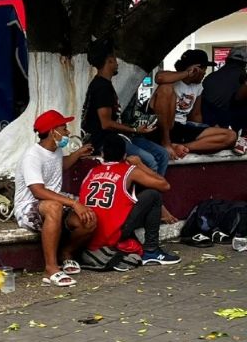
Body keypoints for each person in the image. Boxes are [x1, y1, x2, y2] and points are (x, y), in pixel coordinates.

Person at [14, 110, 97, 287]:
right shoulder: (32, 156)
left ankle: (66, 253)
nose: (67, 132)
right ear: (54, 131)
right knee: (55, 207)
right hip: (29, 207)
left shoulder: (56, 150)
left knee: (89, 218)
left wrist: (78, 153)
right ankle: (51, 268)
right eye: (64, 128)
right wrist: (73, 203)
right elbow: (38, 191)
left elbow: (60, 164)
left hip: (54, 203)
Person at [79, 134, 180, 265]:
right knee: (152, 194)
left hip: (91, 232)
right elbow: (165, 185)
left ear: (103, 154)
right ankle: (151, 250)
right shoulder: (129, 170)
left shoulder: (92, 172)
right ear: (125, 155)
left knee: (129, 197)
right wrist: (140, 164)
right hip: (112, 234)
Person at [81, 39, 166, 168]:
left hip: (119, 137)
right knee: (150, 162)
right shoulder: (102, 87)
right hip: (105, 142)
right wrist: (134, 129)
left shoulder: (104, 84)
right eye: (115, 59)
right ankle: (149, 188)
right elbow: (106, 124)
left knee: (162, 155)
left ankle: (156, 187)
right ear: (109, 60)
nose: (117, 63)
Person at [152, 49, 236, 156]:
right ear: (195, 69)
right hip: (164, 128)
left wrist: (206, 130)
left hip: (182, 127)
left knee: (231, 136)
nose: (205, 73)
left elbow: (195, 115)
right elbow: (159, 77)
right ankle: (167, 143)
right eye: (204, 69)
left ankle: (183, 147)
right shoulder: (170, 80)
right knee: (166, 88)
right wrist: (187, 73)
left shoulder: (198, 87)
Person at [202, 46, 247, 132]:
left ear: (227, 60)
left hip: (207, 119)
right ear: (244, 64)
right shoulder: (241, 77)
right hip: (224, 122)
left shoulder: (211, 76)